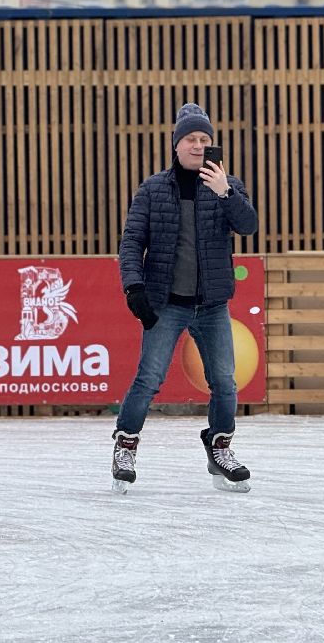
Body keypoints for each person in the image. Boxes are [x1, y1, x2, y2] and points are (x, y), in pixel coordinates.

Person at [111, 102, 259, 495]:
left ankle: (220, 448)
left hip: (211, 304)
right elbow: (132, 242)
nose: (198, 145)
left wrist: (225, 192)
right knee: (148, 379)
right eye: (190, 139)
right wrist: (134, 287)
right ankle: (125, 446)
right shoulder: (153, 189)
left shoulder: (229, 186)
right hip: (166, 301)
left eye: (204, 140)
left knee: (225, 381)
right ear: (176, 146)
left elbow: (249, 226)